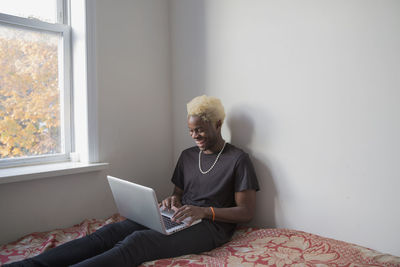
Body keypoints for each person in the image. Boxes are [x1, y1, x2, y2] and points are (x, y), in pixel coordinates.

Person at [5, 95, 259, 267]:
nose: (195, 136)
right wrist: (173, 201)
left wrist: (203, 211)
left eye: (201, 130)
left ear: (217, 124)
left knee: (138, 243)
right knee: (110, 232)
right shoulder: (188, 156)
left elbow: (246, 212)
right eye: (191, 130)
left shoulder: (238, 159)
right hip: (179, 218)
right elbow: (178, 194)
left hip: (211, 228)